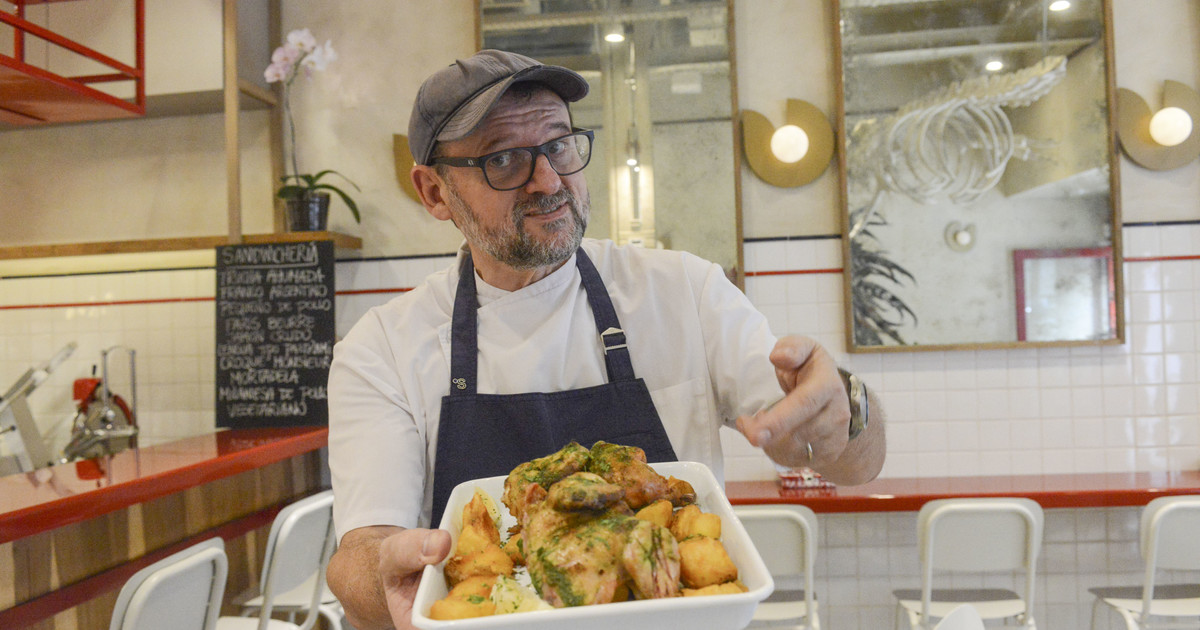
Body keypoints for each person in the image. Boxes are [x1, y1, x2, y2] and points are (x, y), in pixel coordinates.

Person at [325, 49, 886, 630]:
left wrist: (846, 410)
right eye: (503, 159)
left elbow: (856, 463)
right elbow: (361, 552)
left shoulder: (685, 292)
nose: (548, 180)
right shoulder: (382, 349)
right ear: (434, 192)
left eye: (559, 144)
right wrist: (383, 585)